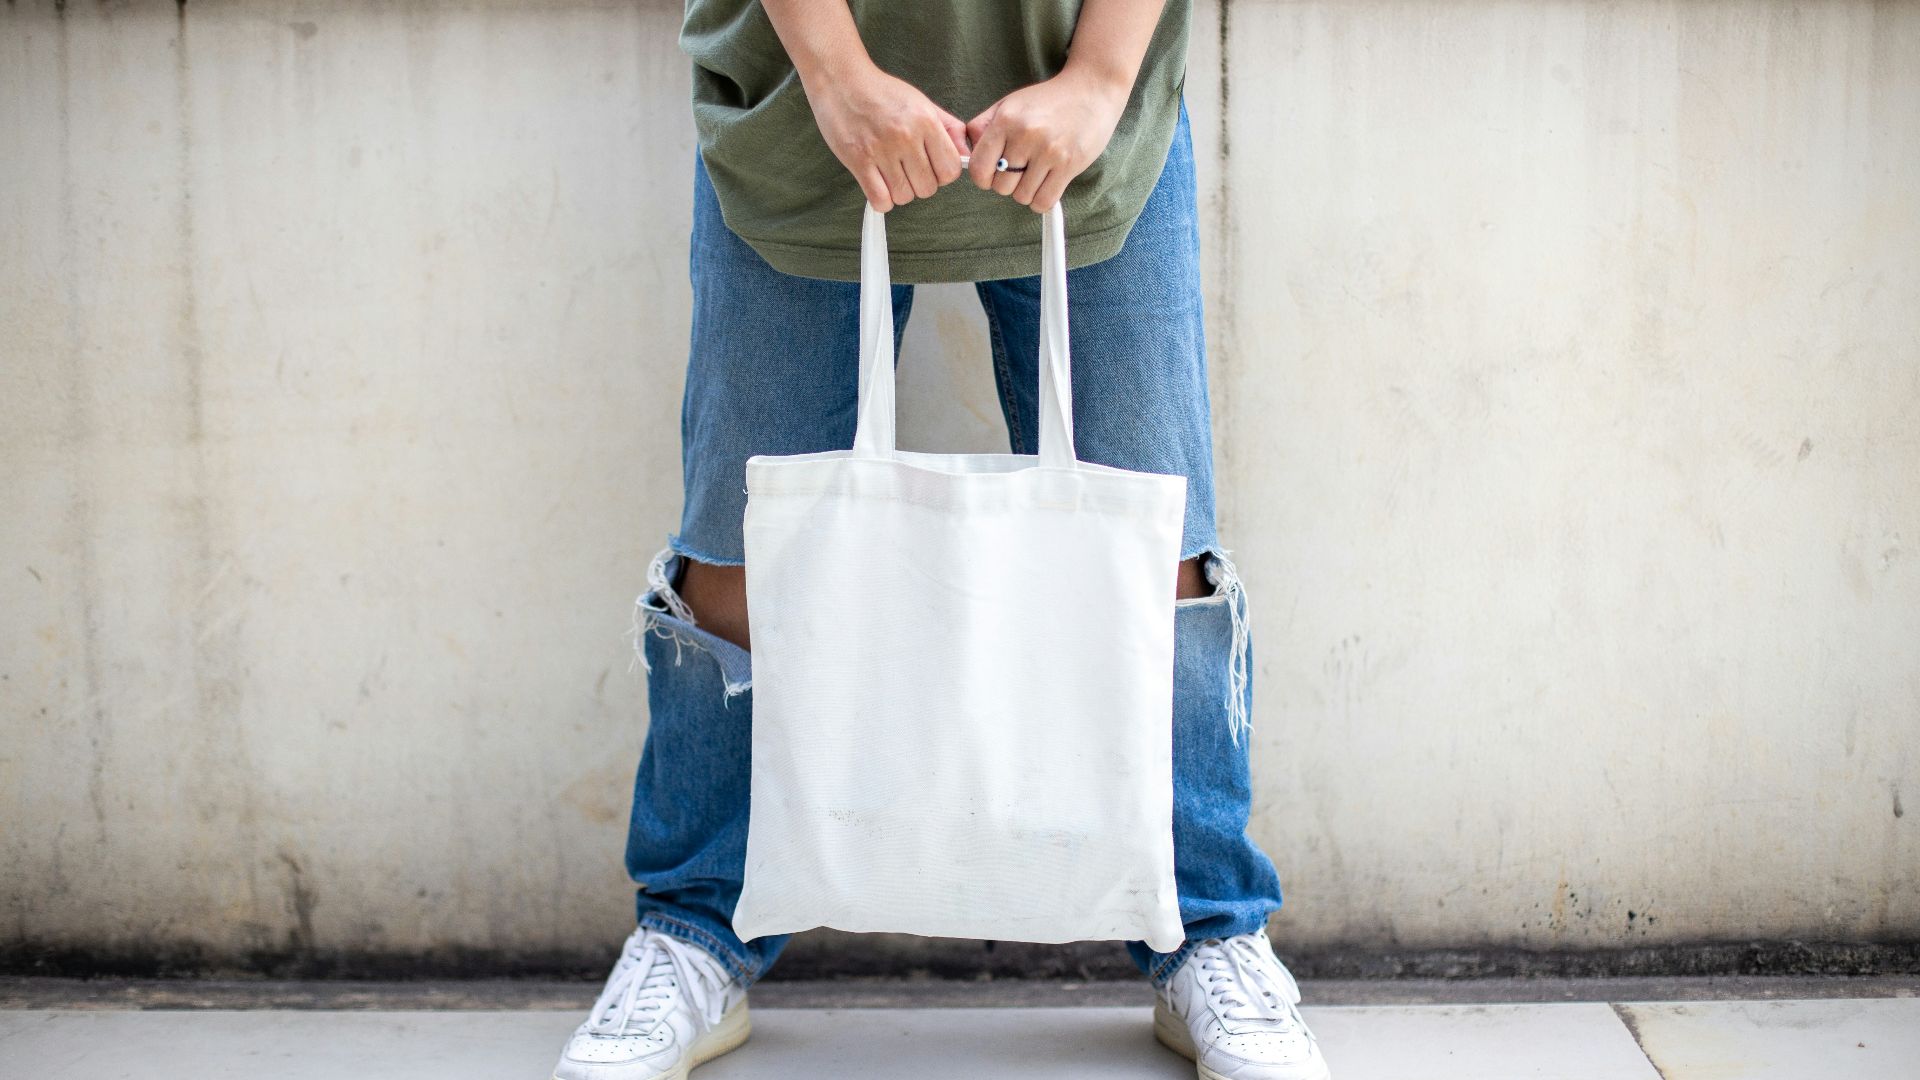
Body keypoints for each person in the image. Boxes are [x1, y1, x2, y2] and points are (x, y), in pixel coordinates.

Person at [551, 1, 1330, 1077]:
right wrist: (833, 75)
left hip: (1089, 119)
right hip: (797, 114)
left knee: (1159, 555)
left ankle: (1209, 930)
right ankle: (694, 930)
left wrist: (1101, 78)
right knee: (734, 555)